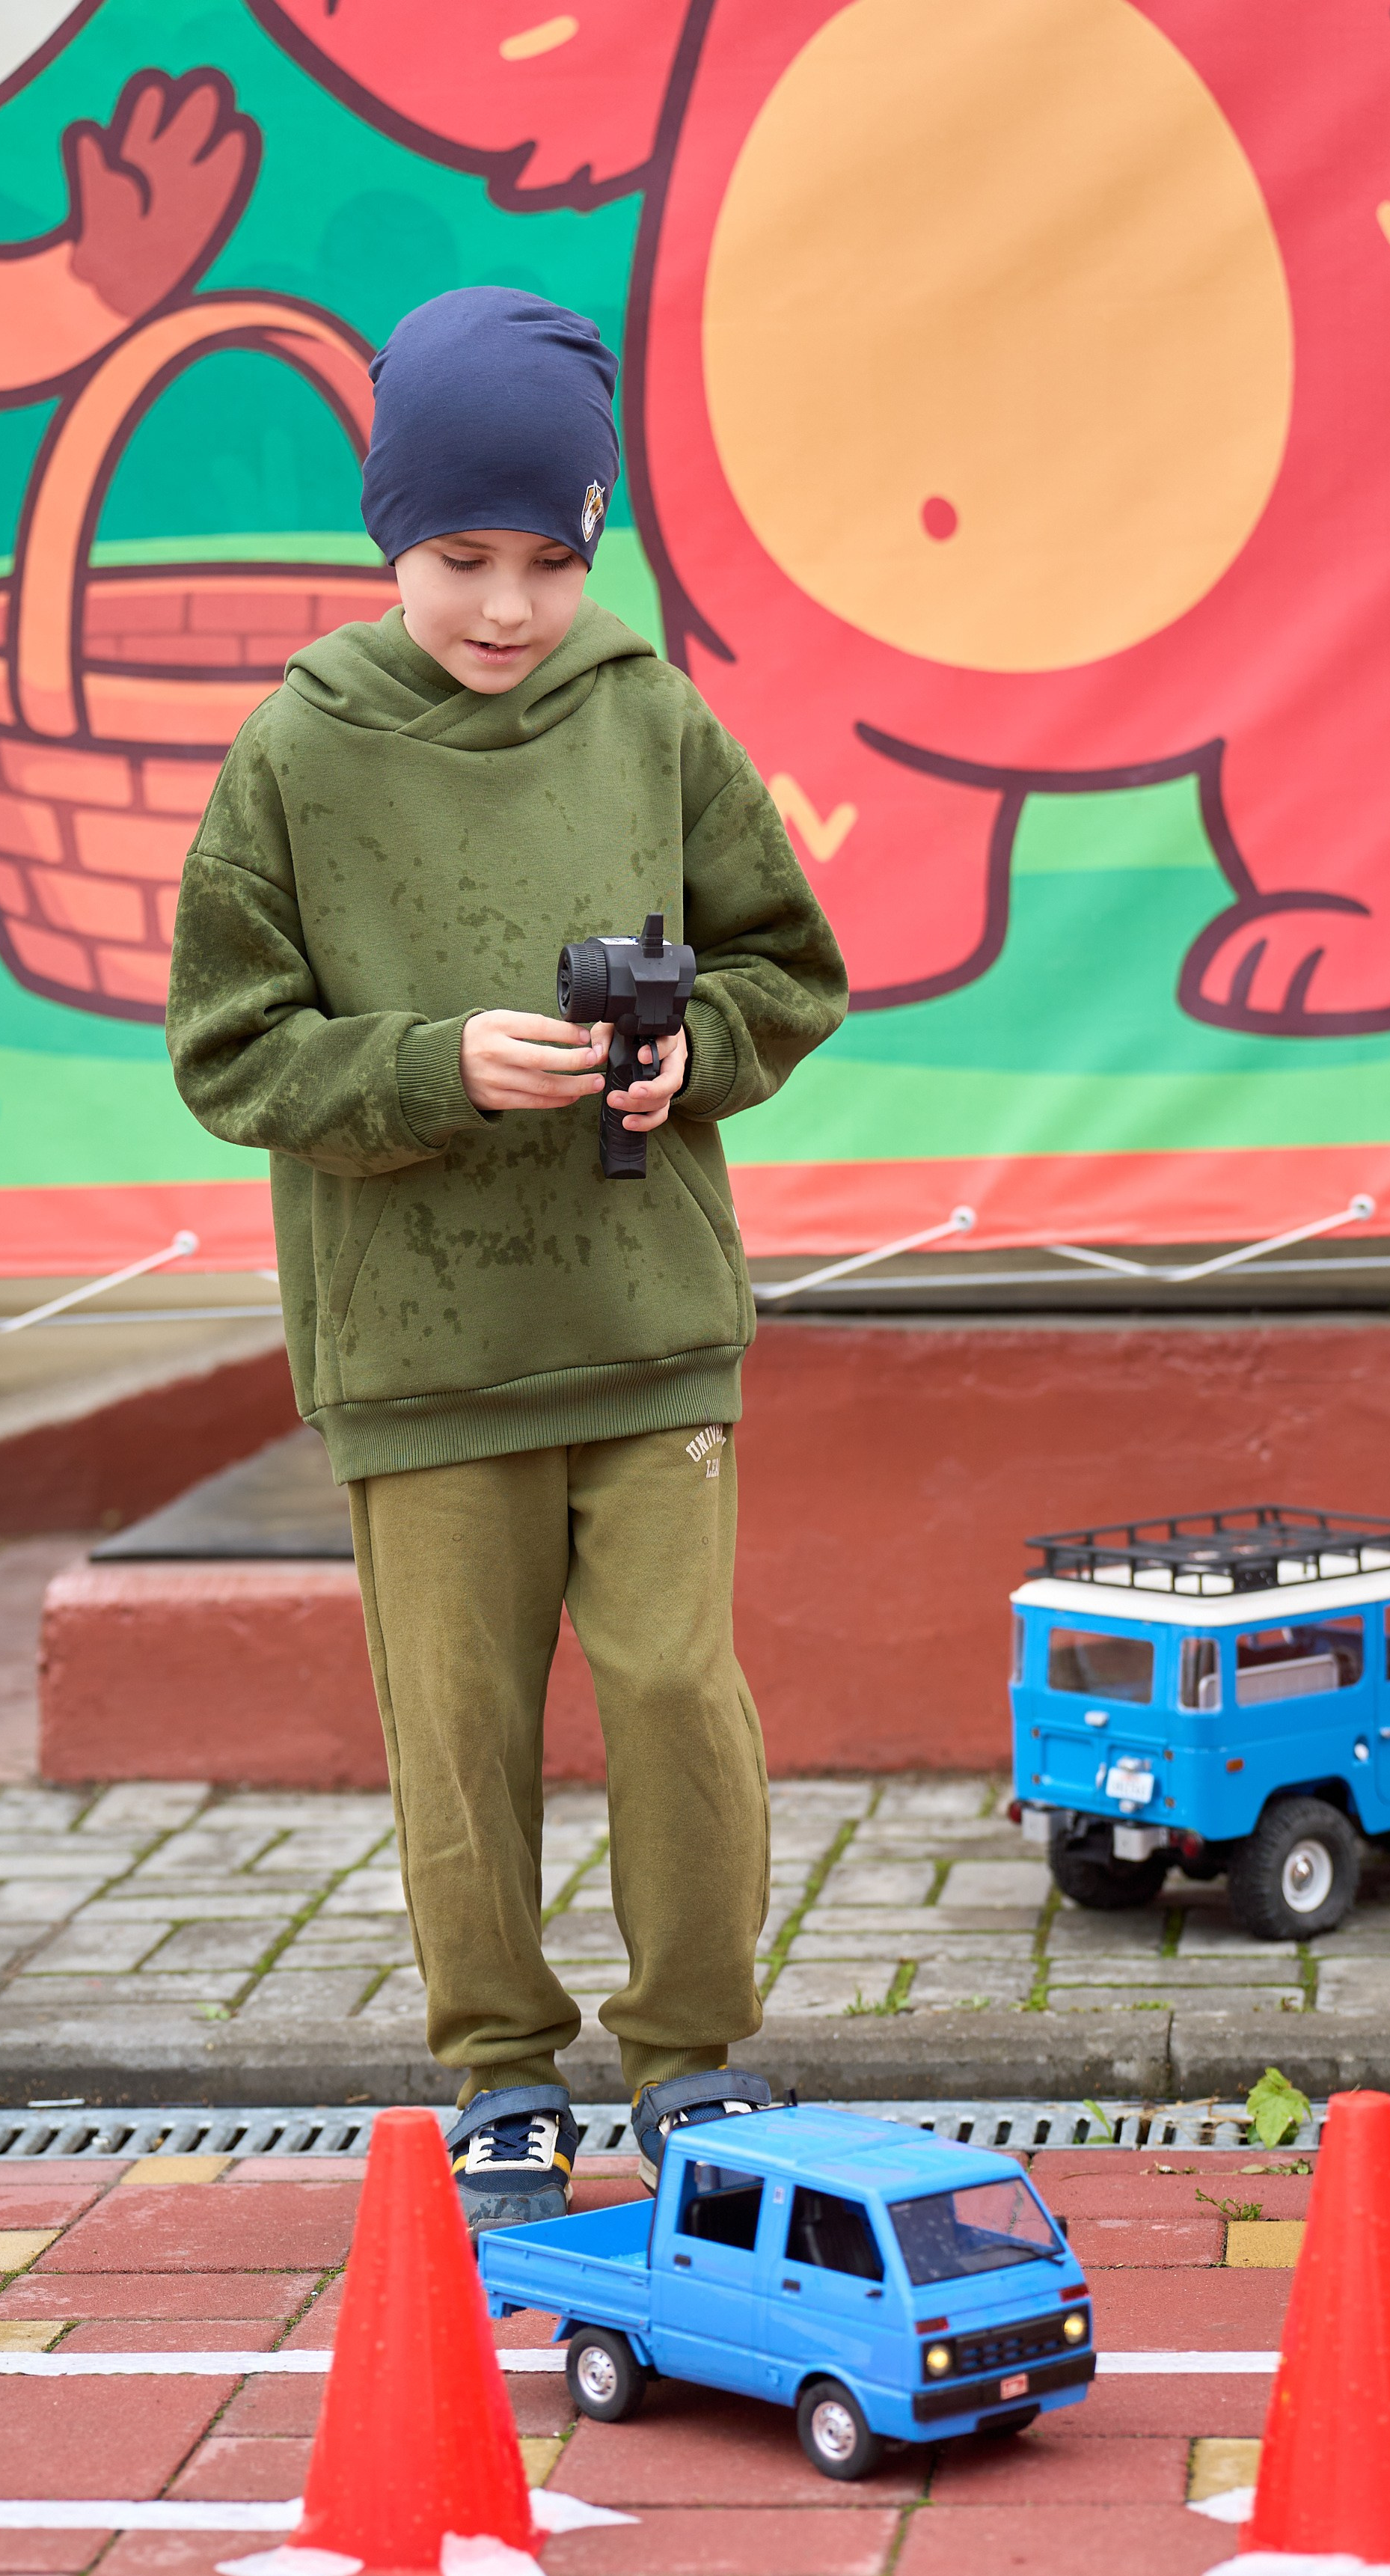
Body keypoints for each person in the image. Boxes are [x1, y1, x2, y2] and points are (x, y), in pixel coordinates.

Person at [165, 286, 847, 2229]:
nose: (504, 605)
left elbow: (787, 968)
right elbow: (230, 1052)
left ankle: (695, 2059)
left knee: (670, 1689)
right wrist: (434, 1063)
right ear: (391, 536)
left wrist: (682, 1053)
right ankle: (494, 2074)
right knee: (454, 1727)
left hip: (646, 1325)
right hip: (413, 1351)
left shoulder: (647, 713)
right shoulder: (295, 753)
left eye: (550, 556)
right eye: (461, 557)